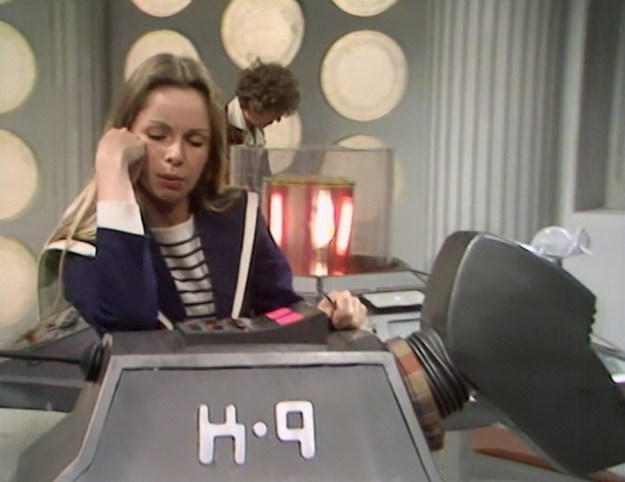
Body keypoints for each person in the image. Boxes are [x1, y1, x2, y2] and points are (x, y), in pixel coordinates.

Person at [40, 53, 366, 335]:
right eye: (157, 136)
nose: (175, 155)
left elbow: (281, 313)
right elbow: (129, 322)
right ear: (125, 138)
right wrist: (113, 174)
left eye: (195, 141)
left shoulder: (241, 218)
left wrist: (323, 316)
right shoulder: (82, 248)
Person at [226, 60, 300, 147]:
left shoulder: (257, 133)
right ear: (259, 103)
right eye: (276, 111)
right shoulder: (218, 126)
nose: (277, 120)